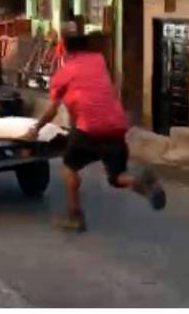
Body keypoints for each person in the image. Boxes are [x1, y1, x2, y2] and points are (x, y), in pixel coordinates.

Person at [25, 26, 166, 232]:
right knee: (117, 177)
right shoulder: (98, 61)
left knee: (70, 167)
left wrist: (36, 128)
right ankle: (139, 180)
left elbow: (53, 110)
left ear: (64, 50)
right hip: (116, 125)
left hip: (89, 129)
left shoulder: (62, 74)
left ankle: (75, 217)